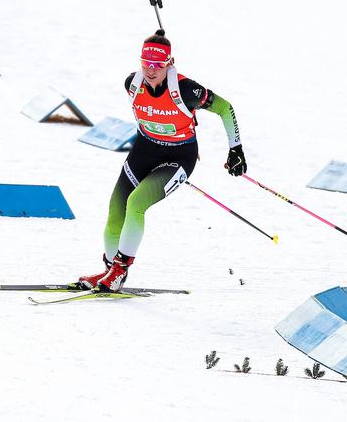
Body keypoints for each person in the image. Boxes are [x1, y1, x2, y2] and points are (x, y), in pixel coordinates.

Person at [78, 29, 246, 292]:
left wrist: (235, 149)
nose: (150, 70)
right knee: (115, 210)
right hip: (144, 150)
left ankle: (120, 271)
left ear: (169, 62)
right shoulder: (131, 84)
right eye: (146, 63)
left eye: (157, 64)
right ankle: (109, 269)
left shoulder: (187, 90)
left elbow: (225, 108)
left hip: (178, 157)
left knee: (136, 203)